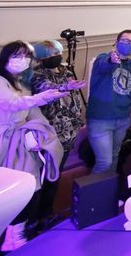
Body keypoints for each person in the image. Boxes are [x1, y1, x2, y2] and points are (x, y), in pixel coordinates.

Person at [0, 41, 65, 251]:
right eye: (17, 56)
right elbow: (11, 104)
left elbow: (32, 112)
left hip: (22, 144)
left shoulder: (21, 83)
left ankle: (16, 232)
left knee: (31, 186)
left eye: (26, 56)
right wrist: (39, 98)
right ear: (5, 58)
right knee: (12, 189)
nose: (23, 61)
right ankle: (9, 234)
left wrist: (40, 133)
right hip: (4, 141)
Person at [29, 40, 87, 224]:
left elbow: (74, 95)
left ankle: (48, 212)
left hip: (69, 131)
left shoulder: (65, 70)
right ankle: (37, 217)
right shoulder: (36, 75)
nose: (55, 57)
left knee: (56, 175)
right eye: (49, 55)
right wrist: (64, 88)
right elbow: (45, 88)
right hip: (51, 134)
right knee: (46, 177)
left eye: (56, 53)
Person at [87, 29, 131, 174]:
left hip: (123, 119)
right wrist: (112, 60)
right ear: (116, 42)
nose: (129, 44)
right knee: (104, 162)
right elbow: (105, 64)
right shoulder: (102, 58)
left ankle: (107, 191)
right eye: (125, 40)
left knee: (115, 156)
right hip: (101, 120)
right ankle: (93, 195)